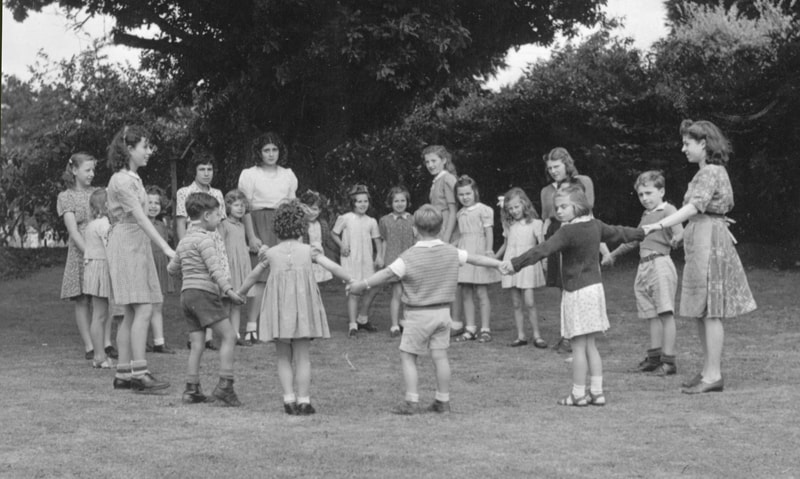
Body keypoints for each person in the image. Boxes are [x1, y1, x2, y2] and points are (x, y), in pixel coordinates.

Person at [349, 204, 504, 415]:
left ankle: (411, 401)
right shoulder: (451, 251)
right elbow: (476, 259)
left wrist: (362, 284)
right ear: (440, 229)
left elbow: (386, 274)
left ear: (414, 229)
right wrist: (497, 264)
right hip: (443, 314)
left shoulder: (409, 256)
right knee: (440, 357)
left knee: (408, 356)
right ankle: (443, 400)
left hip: (418, 314)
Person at [642, 120, 756, 394]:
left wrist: (660, 225)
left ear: (703, 144)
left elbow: (695, 207)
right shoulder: (706, 172)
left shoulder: (710, 172)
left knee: (710, 311)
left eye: (687, 143)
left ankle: (713, 374)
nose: (683, 149)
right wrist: (682, 234)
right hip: (701, 237)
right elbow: (700, 212)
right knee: (700, 311)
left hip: (709, 241)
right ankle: (707, 371)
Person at [502, 185, 644, 406]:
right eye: (556, 207)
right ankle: (597, 393)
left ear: (578, 206)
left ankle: (578, 394)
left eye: (563, 206)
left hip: (577, 293)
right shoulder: (596, 226)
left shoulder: (567, 231)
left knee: (578, 346)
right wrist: (645, 231)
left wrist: (515, 264)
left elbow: (543, 250)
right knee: (590, 345)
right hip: (595, 291)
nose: (558, 211)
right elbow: (622, 232)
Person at [238, 200, 352, 415]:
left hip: (279, 310)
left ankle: (289, 399)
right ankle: (304, 401)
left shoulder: (270, 253)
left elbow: (253, 276)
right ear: (301, 227)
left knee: (282, 355)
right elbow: (333, 267)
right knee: (302, 357)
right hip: (302, 311)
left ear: (277, 227)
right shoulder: (309, 251)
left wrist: (240, 293)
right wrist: (353, 280)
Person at [105, 125, 174, 393]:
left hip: (135, 244)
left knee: (133, 311)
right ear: (129, 149)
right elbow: (141, 218)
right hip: (128, 244)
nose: (149, 151)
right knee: (143, 308)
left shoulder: (132, 178)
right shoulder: (121, 181)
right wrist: (167, 248)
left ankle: (124, 373)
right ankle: (139, 374)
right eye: (145, 146)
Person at [602, 171, 683, 376]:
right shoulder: (646, 216)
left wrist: (677, 239)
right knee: (651, 314)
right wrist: (613, 255)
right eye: (640, 195)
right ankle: (654, 357)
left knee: (665, 313)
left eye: (649, 193)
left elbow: (679, 231)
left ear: (661, 191)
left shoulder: (668, 209)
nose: (645, 198)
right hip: (644, 266)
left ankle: (669, 361)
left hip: (660, 264)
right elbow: (635, 239)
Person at [168, 193, 245, 406]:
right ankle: (225, 386)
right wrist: (230, 292)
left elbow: (172, 269)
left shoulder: (185, 241)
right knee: (229, 335)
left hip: (187, 296)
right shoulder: (206, 239)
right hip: (204, 294)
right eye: (217, 214)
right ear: (206, 215)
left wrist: (189, 269)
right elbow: (215, 270)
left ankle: (191, 389)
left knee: (197, 344)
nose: (220, 218)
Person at [539, 147, 608, 354]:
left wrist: (602, 246)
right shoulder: (546, 191)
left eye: (556, 166)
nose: (553, 170)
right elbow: (547, 218)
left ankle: (582, 333)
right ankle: (567, 334)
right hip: (556, 233)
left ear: (566, 164)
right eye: (549, 167)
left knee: (580, 282)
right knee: (563, 284)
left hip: (580, 231)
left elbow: (588, 209)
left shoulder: (582, 181)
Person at [238, 132, 298, 345]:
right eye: (266, 150)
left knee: (282, 276)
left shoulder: (288, 174)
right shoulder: (249, 174)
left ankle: (278, 327)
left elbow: (292, 206)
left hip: (282, 225)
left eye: (274, 150)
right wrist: (252, 236)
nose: (271, 154)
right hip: (259, 222)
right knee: (260, 277)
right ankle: (252, 327)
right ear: (259, 153)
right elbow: (244, 206)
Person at [175, 148, 228, 350]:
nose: (207, 173)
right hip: (193, 241)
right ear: (195, 171)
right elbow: (181, 222)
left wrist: (221, 246)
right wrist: (183, 248)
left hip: (214, 242)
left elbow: (221, 223)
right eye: (202, 169)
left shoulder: (217, 194)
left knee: (213, 286)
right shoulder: (184, 193)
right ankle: (194, 336)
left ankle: (208, 337)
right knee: (197, 286)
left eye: (209, 169)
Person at [57, 152, 101, 360]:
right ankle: (89, 345)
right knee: (82, 299)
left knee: (102, 297)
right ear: (74, 171)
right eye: (87, 170)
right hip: (80, 251)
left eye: (93, 170)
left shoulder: (99, 193)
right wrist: (88, 253)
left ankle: (105, 343)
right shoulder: (66, 197)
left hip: (99, 246)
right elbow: (73, 232)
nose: (91, 174)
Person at [495, 187, 547, 348]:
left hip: (528, 264)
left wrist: (544, 261)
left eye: (516, 207)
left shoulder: (536, 223)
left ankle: (537, 335)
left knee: (529, 302)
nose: (514, 211)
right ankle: (521, 335)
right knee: (516, 303)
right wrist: (495, 258)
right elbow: (505, 244)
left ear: (524, 204)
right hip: (511, 263)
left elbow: (542, 245)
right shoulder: (508, 224)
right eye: (510, 208)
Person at [331, 184, 384, 337]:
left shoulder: (371, 221)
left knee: (372, 287)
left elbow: (377, 241)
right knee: (354, 291)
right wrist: (342, 245)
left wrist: (379, 255)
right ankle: (353, 324)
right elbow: (334, 234)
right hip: (351, 259)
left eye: (365, 201)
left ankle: (363, 318)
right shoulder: (345, 218)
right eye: (359, 201)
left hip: (366, 259)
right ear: (353, 203)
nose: (362, 204)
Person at [452, 175, 500, 343]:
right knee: (465, 291)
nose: (465, 197)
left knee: (481, 291)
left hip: (479, 251)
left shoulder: (484, 209)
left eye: (468, 193)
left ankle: (485, 328)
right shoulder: (460, 213)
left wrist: (488, 250)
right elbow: (461, 236)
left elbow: (489, 232)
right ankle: (470, 327)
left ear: (475, 192)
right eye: (461, 195)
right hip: (465, 253)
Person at [422, 145, 461, 334]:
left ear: (444, 160)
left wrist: (446, 237)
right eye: (427, 162)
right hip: (438, 229)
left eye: (434, 161)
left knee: (452, 279)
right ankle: (443, 320)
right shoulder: (437, 180)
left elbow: (453, 211)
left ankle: (456, 322)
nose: (430, 165)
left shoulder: (448, 178)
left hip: (447, 231)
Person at [83, 188, 116, 369]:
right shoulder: (104, 225)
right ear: (106, 205)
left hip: (93, 268)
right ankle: (99, 355)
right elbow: (110, 247)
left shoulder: (92, 224)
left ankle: (99, 354)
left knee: (99, 314)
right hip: (101, 268)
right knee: (100, 315)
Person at [378, 186, 415, 338]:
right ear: (390, 203)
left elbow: (416, 240)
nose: (399, 204)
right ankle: (394, 325)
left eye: (403, 200)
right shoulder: (385, 220)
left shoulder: (413, 219)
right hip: (393, 260)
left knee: (409, 294)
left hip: (409, 260)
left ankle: (406, 322)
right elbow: (383, 241)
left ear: (407, 202)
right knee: (397, 293)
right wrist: (380, 257)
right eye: (396, 201)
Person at [220, 189, 254, 346]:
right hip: (228, 267)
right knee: (226, 303)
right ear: (228, 207)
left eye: (242, 205)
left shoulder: (241, 226)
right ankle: (226, 336)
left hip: (240, 266)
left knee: (237, 303)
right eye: (236, 205)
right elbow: (220, 245)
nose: (240, 208)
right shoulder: (223, 224)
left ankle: (236, 335)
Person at [145, 185, 176, 354]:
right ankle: (140, 341)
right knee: (143, 305)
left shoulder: (162, 224)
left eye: (156, 202)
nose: (153, 206)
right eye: (149, 202)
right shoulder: (139, 223)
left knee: (158, 304)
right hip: (144, 266)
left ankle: (159, 342)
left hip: (159, 264)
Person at [299, 190, 333, 284]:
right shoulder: (301, 224)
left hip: (318, 258)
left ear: (320, 210)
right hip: (304, 258)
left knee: (317, 285)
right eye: (308, 209)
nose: (311, 212)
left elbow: (326, 241)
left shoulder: (322, 224)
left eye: (314, 209)